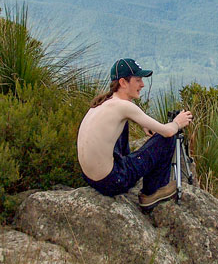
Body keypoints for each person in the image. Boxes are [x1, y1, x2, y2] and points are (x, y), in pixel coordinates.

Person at [77, 58, 193, 210]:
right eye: (138, 80)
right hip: (113, 181)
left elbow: (119, 120)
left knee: (124, 124)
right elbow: (168, 131)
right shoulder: (124, 106)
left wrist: (144, 125)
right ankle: (151, 193)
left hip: (90, 178)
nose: (142, 85)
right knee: (168, 139)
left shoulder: (103, 103)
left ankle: (127, 164)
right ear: (123, 82)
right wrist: (178, 122)